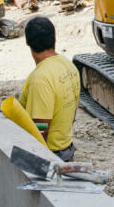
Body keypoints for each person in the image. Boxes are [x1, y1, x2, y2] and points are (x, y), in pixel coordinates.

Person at [18, 16, 81, 161]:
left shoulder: (40, 79)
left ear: (27, 41)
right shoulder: (68, 65)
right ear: (54, 38)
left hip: (51, 155)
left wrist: (36, 162)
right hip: (66, 150)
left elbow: (40, 128)